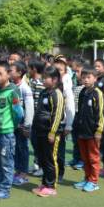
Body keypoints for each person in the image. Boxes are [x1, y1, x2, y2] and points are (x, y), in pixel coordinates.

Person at [0, 61, 23, 200]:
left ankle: (5, 190)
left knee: (6, 162)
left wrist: (11, 125)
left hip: (6, 133)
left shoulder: (13, 91)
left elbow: (18, 113)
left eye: (0, 73)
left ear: (8, 74)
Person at [32, 66, 65, 197]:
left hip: (50, 133)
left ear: (55, 79)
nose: (43, 80)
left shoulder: (57, 93)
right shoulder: (44, 92)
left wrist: (53, 131)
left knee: (51, 159)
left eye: (46, 78)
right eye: (43, 77)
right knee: (43, 159)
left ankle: (51, 186)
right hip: (40, 131)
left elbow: (57, 114)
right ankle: (45, 183)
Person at [72, 68, 104, 193]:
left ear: (95, 79)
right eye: (84, 77)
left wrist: (99, 131)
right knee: (85, 158)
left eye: (88, 77)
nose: (85, 80)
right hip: (82, 130)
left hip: (92, 132)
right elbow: (79, 111)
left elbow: (100, 114)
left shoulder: (97, 93)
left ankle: (94, 181)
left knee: (93, 158)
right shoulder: (82, 92)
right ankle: (87, 178)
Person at [10, 60, 34, 186]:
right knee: (15, 148)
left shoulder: (25, 88)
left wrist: (27, 125)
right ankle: (18, 170)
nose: (9, 72)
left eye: (11, 71)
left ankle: (23, 174)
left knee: (23, 148)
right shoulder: (13, 86)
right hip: (13, 125)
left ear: (19, 73)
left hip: (22, 126)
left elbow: (29, 108)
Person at [53, 55, 75, 183]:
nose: (58, 72)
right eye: (56, 69)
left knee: (59, 151)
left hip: (61, 122)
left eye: (60, 70)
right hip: (49, 123)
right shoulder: (50, 83)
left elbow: (70, 105)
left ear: (65, 71)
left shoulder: (66, 84)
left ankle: (59, 173)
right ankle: (50, 171)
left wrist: (69, 124)